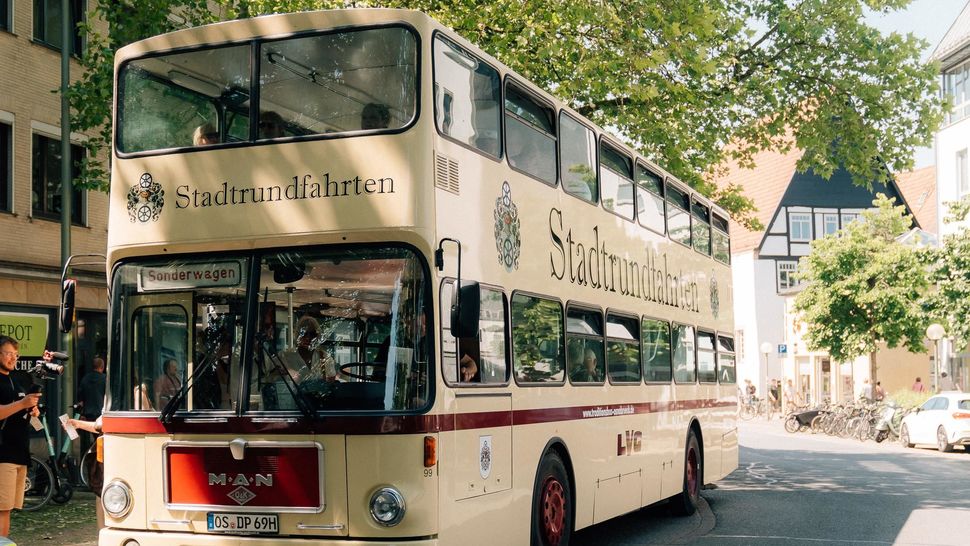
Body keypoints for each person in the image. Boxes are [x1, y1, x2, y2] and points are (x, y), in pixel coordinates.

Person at [0, 336, 42, 539]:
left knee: (9, 508)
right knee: (2, 509)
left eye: (15, 354)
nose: (12, 358)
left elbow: (22, 407)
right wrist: (22, 404)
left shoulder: (17, 379)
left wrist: (33, 411)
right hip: (2, 453)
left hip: (19, 451)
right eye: (8, 353)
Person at [76, 355, 106, 454]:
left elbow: (80, 398)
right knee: (101, 441)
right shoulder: (105, 379)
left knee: (91, 442)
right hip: (100, 415)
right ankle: (97, 464)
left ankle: (91, 464)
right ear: (102, 367)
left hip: (87, 414)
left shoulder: (85, 379)